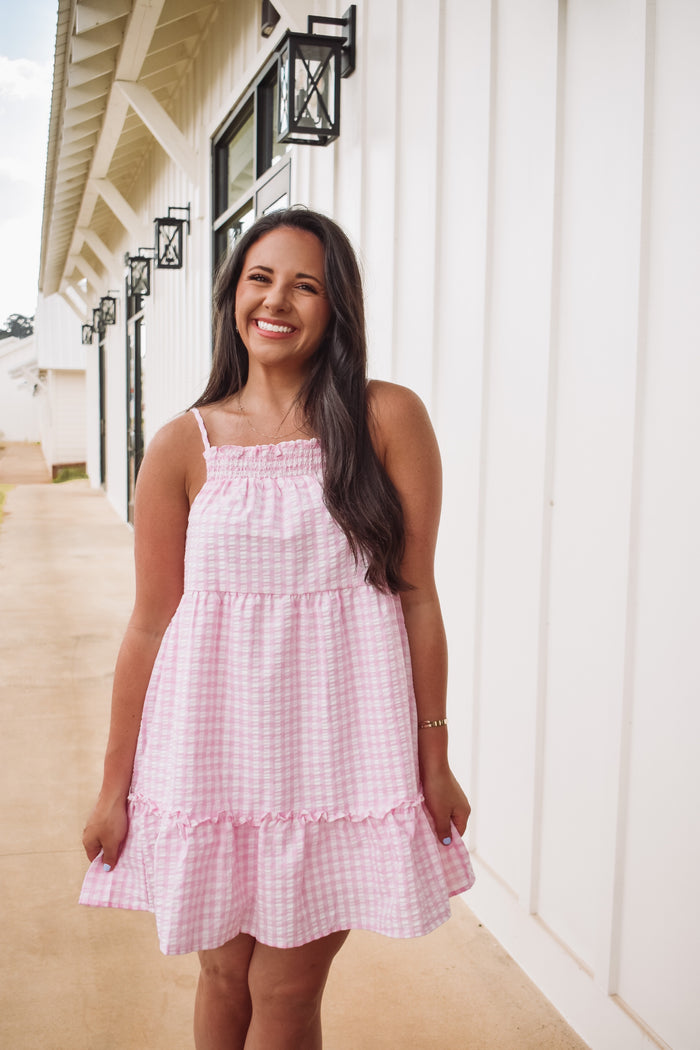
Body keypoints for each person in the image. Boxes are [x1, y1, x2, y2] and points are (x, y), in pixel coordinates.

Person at [80, 207, 474, 1050]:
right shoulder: (184, 445)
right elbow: (151, 625)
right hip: (210, 754)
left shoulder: (385, 419)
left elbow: (417, 599)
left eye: (306, 285)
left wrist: (434, 758)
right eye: (261, 278)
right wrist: (115, 784)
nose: (278, 301)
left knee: (284, 991)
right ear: (233, 297)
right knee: (223, 977)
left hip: (337, 756)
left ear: (337, 309)